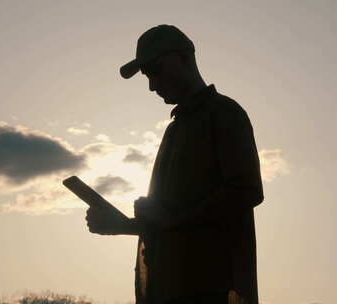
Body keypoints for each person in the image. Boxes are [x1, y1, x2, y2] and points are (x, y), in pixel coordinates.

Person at [85, 25, 264, 304]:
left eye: (156, 70)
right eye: (147, 75)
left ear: (185, 58)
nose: (152, 85)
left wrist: (169, 219)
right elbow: (170, 223)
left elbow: (246, 190)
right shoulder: (174, 130)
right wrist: (121, 225)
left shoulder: (224, 113)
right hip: (167, 290)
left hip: (212, 289)